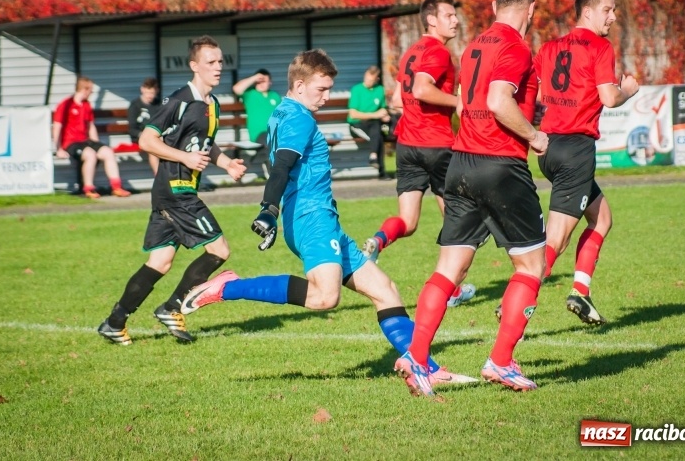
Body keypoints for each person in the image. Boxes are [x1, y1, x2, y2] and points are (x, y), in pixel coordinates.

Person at [180, 49, 475, 386]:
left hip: (322, 219)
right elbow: (282, 166)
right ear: (300, 84)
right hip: (311, 218)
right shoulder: (299, 117)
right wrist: (269, 208)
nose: (327, 96)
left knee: (385, 290)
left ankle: (424, 367)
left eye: (329, 88)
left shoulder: (283, 112)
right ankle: (229, 287)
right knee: (325, 297)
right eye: (321, 89)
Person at [394, 0, 548, 396]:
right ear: (531, 10)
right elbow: (499, 101)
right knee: (532, 266)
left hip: (460, 163)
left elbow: (466, 102)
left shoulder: (475, 45)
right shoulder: (516, 47)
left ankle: (418, 358)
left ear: (495, 6)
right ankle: (500, 362)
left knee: (449, 268)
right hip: (500, 166)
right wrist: (535, 137)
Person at [97, 35, 247, 345]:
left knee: (160, 262)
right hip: (175, 191)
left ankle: (114, 322)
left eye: (220, 62)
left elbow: (204, 144)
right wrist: (185, 157)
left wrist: (227, 163)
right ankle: (173, 306)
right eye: (211, 62)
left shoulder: (212, 104)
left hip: (177, 190)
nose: (218, 67)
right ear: (195, 66)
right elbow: (147, 141)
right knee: (219, 250)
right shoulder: (180, 99)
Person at [532, 0, 639, 325]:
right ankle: (519, 294)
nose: (613, 16)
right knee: (557, 238)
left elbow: (531, 89)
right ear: (588, 12)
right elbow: (608, 98)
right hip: (576, 149)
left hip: (549, 147)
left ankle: (580, 291)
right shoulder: (599, 46)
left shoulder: (550, 47)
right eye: (608, 9)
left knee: (602, 218)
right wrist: (628, 91)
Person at [361, 0, 474, 308]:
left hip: (407, 145)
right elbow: (422, 89)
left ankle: (377, 241)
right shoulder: (438, 52)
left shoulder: (412, 51)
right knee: (456, 221)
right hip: (437, 145)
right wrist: (458, 102)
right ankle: (448, 290)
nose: (455, 21)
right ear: (431, 19)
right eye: (449, 15)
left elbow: (398, 99)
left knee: (408, 222)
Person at [52, 76, 132, 199]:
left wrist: (96, 143)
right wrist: (59, 149)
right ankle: (88, 188)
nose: (91, 93)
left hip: (86, 141)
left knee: (108, 152)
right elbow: (57, 127)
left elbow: (91, 126)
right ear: (84, 89)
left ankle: (116, 187)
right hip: (71, 143)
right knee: (90, 155)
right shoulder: (66, 104)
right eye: (91, 90)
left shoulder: (86, 105)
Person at [232, 68, 282, 178]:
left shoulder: (275, 96)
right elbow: (236, 88)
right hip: (260, 133)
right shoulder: (250, 94)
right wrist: (254, 78)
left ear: (270, 82)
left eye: (264, 80)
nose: (261, 83)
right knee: (270, 140)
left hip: (277, 132)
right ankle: (274, 175)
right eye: (259, 81)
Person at [346, 65, 392, 179]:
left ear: (377, 79)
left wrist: (384, 115)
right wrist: (375, 115)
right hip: (356, 125)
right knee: (378, 134)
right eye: (366, 78)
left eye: (371, 80)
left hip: (373, 125)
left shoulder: (380, 90)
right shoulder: (356, 89)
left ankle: (373, 156)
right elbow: (353, 114)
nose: (367, 81)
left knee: (378, 129)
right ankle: (382, 172)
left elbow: (382, 108)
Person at [127, 77, 161, 175]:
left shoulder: (158, 104)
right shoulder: (135, 105)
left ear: (156, 91)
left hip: (157, 136)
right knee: (154, 148)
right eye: (147, 92)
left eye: (152, 93)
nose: (150, 96)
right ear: (142, 89)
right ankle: (159, 177)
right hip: (140, 137)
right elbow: (132, 129)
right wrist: (145, 135)